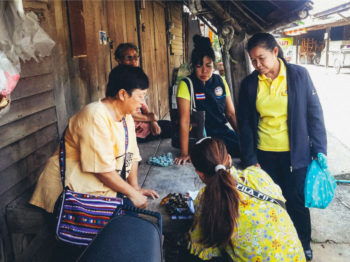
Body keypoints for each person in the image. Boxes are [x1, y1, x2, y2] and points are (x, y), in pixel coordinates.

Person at [237, 32, 327, 261]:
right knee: (268, 203)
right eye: (253, 60)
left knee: (295, 201)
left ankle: (304, 244)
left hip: (295, 155)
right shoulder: (249, 84)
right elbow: (245, 124)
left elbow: (314, 113)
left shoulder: (298, 76)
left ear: (275, 52)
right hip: (263, 156)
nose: (257, 65)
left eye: (262, 58)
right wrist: (249, 159)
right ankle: (274, 245)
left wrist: (319, 150)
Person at [30, 65, 159, 214]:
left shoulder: (126, 117)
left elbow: (132, 155)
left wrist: (135, 188)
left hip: (99, 188)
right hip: (70, 193)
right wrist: (132, 193)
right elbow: (102, 170)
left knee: (138, 216)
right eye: (140, 96)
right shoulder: (94, 116)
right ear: (123, 94)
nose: (143, 103)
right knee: (133, 221)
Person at [187, 137, 306, 261]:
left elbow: (201, 245)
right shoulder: (257, 175)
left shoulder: (206, 199)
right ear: (229, 158)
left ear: (199, 174)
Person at [174, 35, 239, 165]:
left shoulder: (220, 81)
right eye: (199, 66)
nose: (204, 70)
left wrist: (243, 138)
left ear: (214, 65)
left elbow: (231, 114)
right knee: (214, 156)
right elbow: (185, 120)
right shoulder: (187, 84)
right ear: (193, 66)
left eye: (208, 66)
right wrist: (184, 153)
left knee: (246, 149)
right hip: (201, 137)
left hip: (221, 132)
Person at [114, 43, 171, 142]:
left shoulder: (137, 78)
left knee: (172, 125)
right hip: (135, 131)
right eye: (129, 58)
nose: (133, 61)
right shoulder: (118, 81)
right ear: (119, 60)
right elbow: (128, 114)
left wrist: (153, 122)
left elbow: (143, 105)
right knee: (174, 129)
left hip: (146, 123)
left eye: (136, 57)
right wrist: (150, 119)